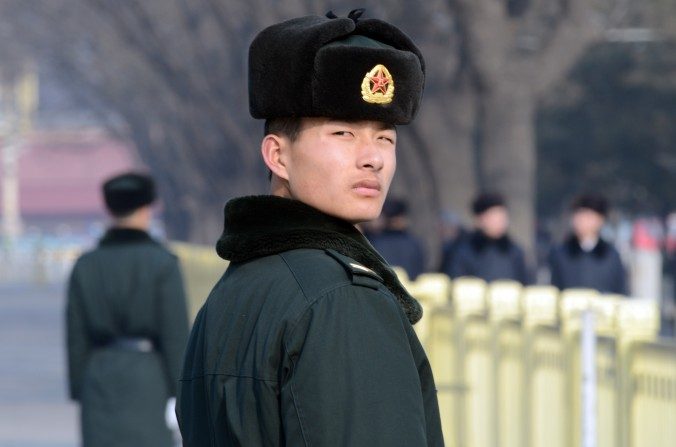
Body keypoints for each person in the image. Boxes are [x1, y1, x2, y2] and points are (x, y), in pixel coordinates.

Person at [177, 9, 443, 447]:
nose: (372, 157)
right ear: (278, 156)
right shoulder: (342, 299)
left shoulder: (236, 287)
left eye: (385, 138)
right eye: (343, 133)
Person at [66, 172, 189, 446]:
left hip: (98, 377)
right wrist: (182, 393)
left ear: (109, 208)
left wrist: (80, 388)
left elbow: (76, 336)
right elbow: (175, 335)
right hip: (150, 378)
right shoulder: (163, 264)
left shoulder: (86, 265)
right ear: (146, 208)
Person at [441, 192, 529, 284]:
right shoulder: (462, 251)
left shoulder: (514, 251)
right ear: (479, 219)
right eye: (493, 218)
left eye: (502, 218)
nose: (499, 223)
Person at [548, 193, 627, 294]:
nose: (582, 221)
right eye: (578, 215)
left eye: (588, 216)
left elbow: (620, 291)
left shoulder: (611, 256)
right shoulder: (560, 253)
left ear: (600, 220)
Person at [368, 198, 426, 279]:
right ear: (401, 218)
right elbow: (420, 272)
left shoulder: (374, 242)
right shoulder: (414, 243)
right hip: (410, 289)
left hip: (383, 289)